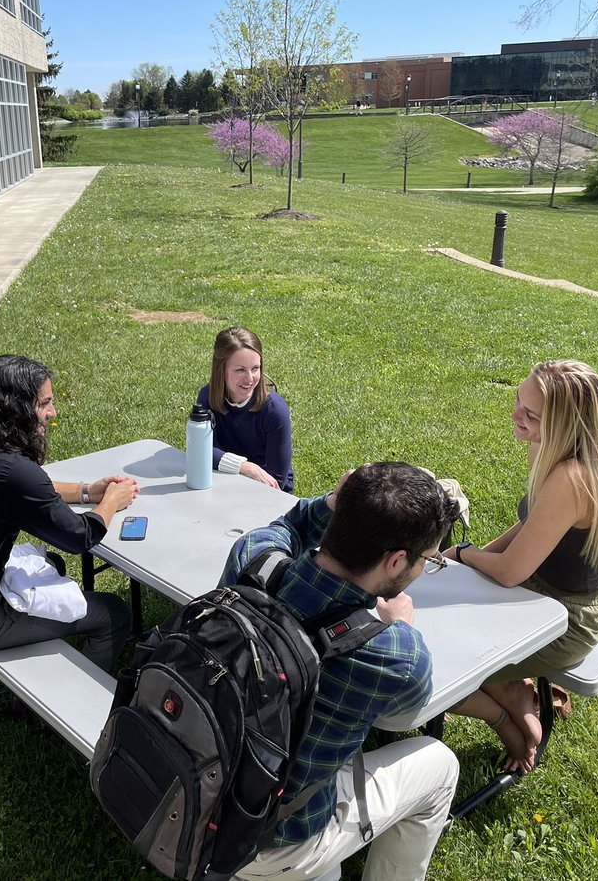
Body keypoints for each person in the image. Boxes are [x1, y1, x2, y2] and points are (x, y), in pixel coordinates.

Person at [224, 462, 461, 881]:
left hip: (206, 787)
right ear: (396, 561)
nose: (426, 566)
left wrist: (335, 503)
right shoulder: (394, 652)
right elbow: (407, 714)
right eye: (429, 558)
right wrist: (402, 627)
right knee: (440, 763)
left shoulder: (252, 560)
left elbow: (289, 524)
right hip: (280, 839)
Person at [445, 359, 598, 773]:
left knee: (445, 661)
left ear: (565, 425)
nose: (515, 415)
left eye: (530, 414)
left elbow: (510, 572)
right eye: (517, 401)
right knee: (444, 629)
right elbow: (532, 525)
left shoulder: (572, 477)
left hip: (565, 621)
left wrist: (462, 554)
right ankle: (512, 691)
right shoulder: (550, 450)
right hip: (533, 596)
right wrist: (473, 560)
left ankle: (511, 708)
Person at [0, 354, 140, 672]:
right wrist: (110, 501)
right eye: (44, 404)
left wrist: (87, 491)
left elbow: (27, 491)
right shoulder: (13, 471)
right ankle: (75, 702)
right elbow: (80, 537)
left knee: (50, 564)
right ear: (15, 410)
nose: (52, 413)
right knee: (114, 613)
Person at [196, 327, 294, 492]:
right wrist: (244, 466)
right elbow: (199, 448)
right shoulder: (208, 396)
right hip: (222, 478)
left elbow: (276, 481)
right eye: (240, 370)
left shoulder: (275, 410)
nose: (250, 379)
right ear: (221, 369)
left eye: (255, 368)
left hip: (268, 491)